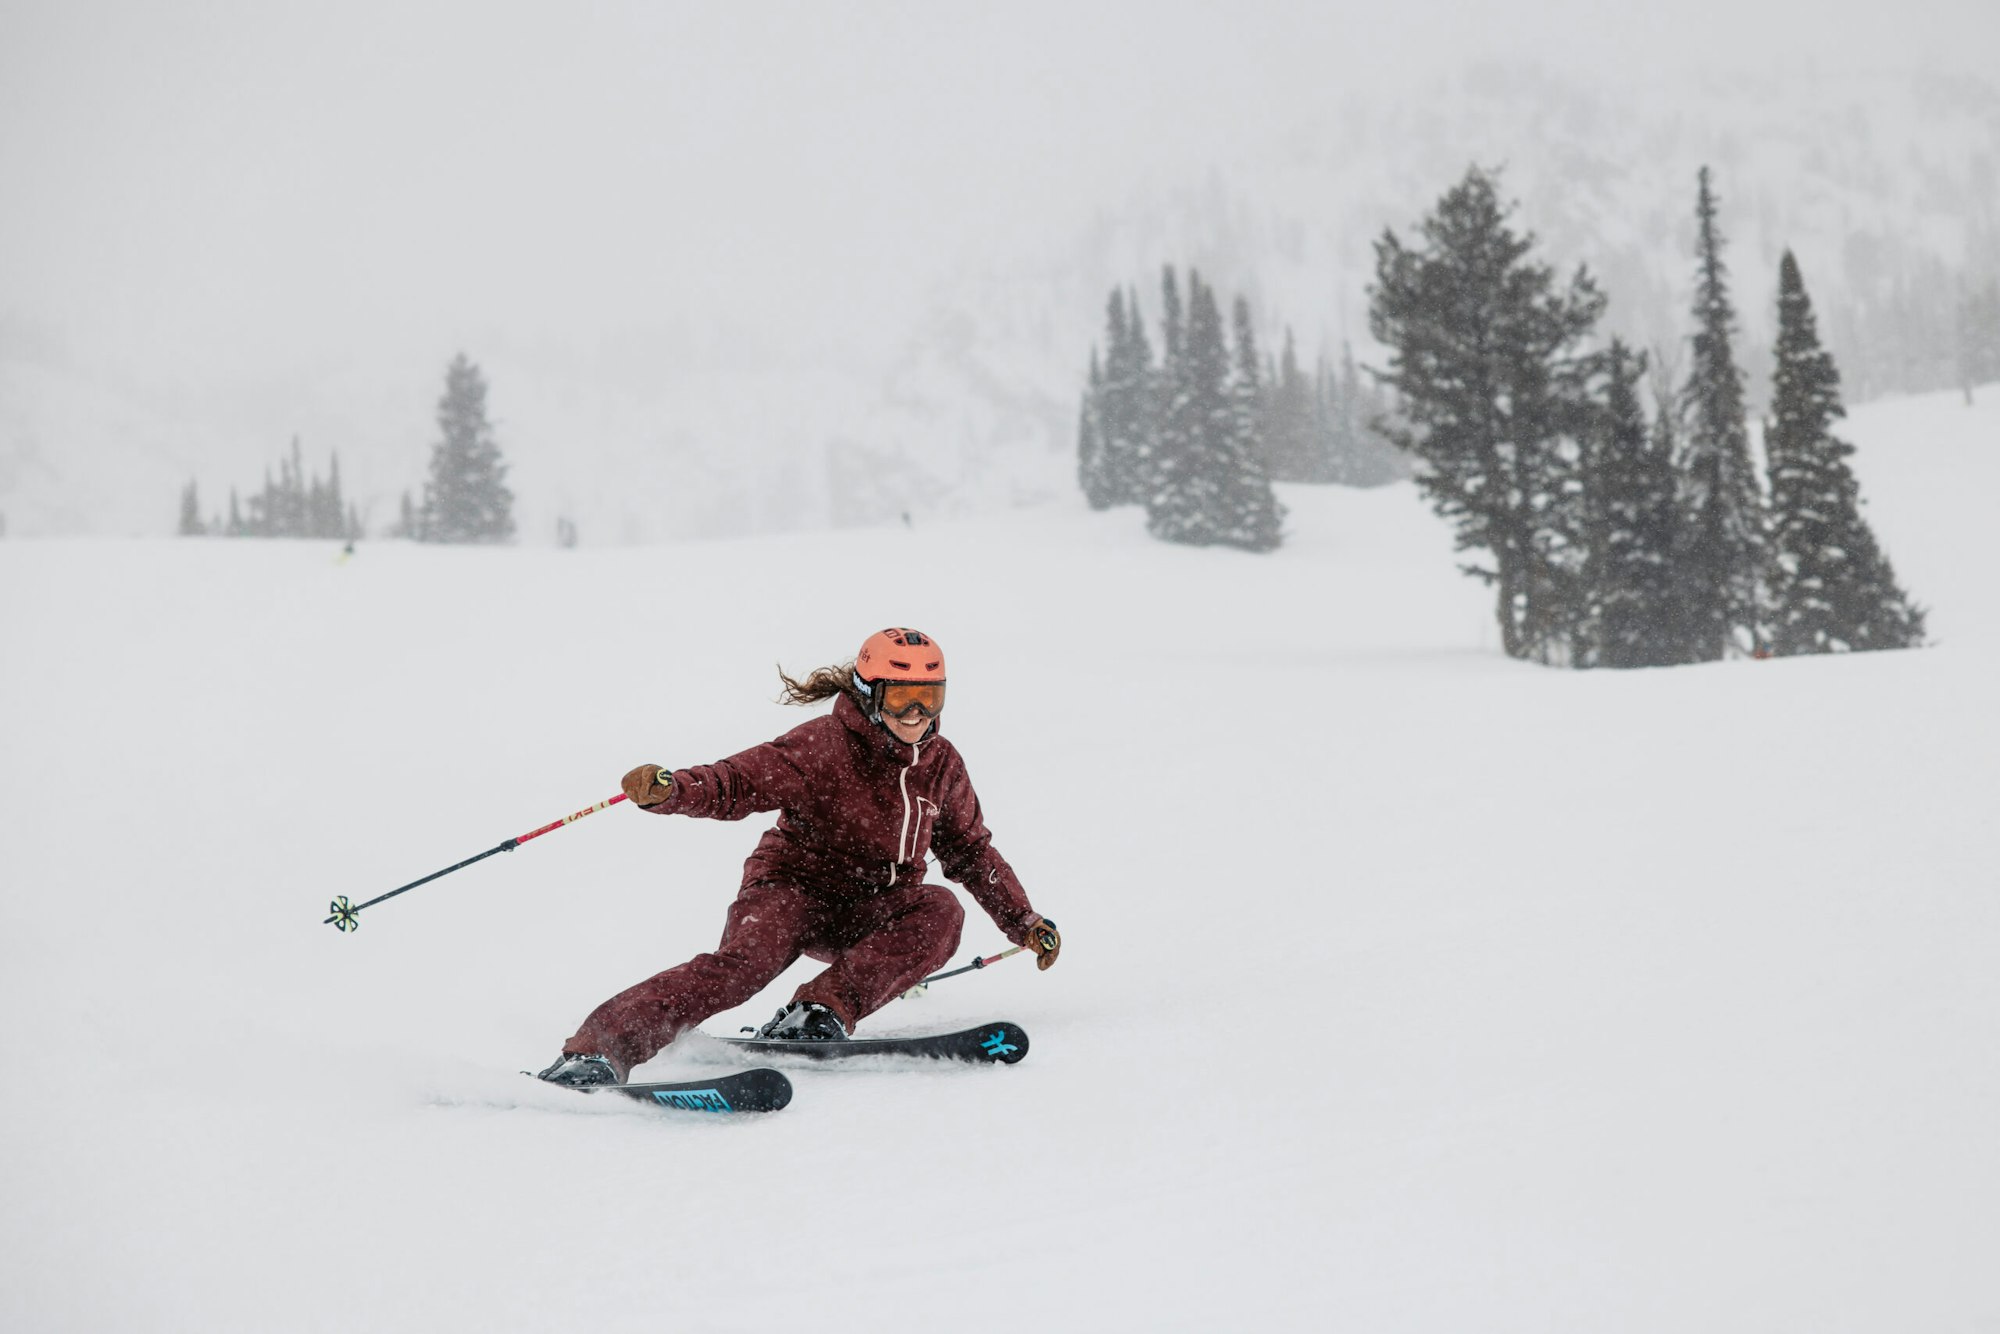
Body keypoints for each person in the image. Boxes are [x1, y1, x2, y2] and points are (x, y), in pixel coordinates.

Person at [536, 627, 1060, 1087]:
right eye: (902, 699)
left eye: (930, 697)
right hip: (791, 892)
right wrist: (672, 790)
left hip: (871, 908)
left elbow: (971, 850)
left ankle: (816, 1013)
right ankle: (596, 1052)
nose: (917, 714)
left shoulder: (940, 764)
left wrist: (1023, 920)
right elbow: (738, 782)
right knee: (743, 968)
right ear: (870, 694)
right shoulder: (824, 745)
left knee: (941, 910)